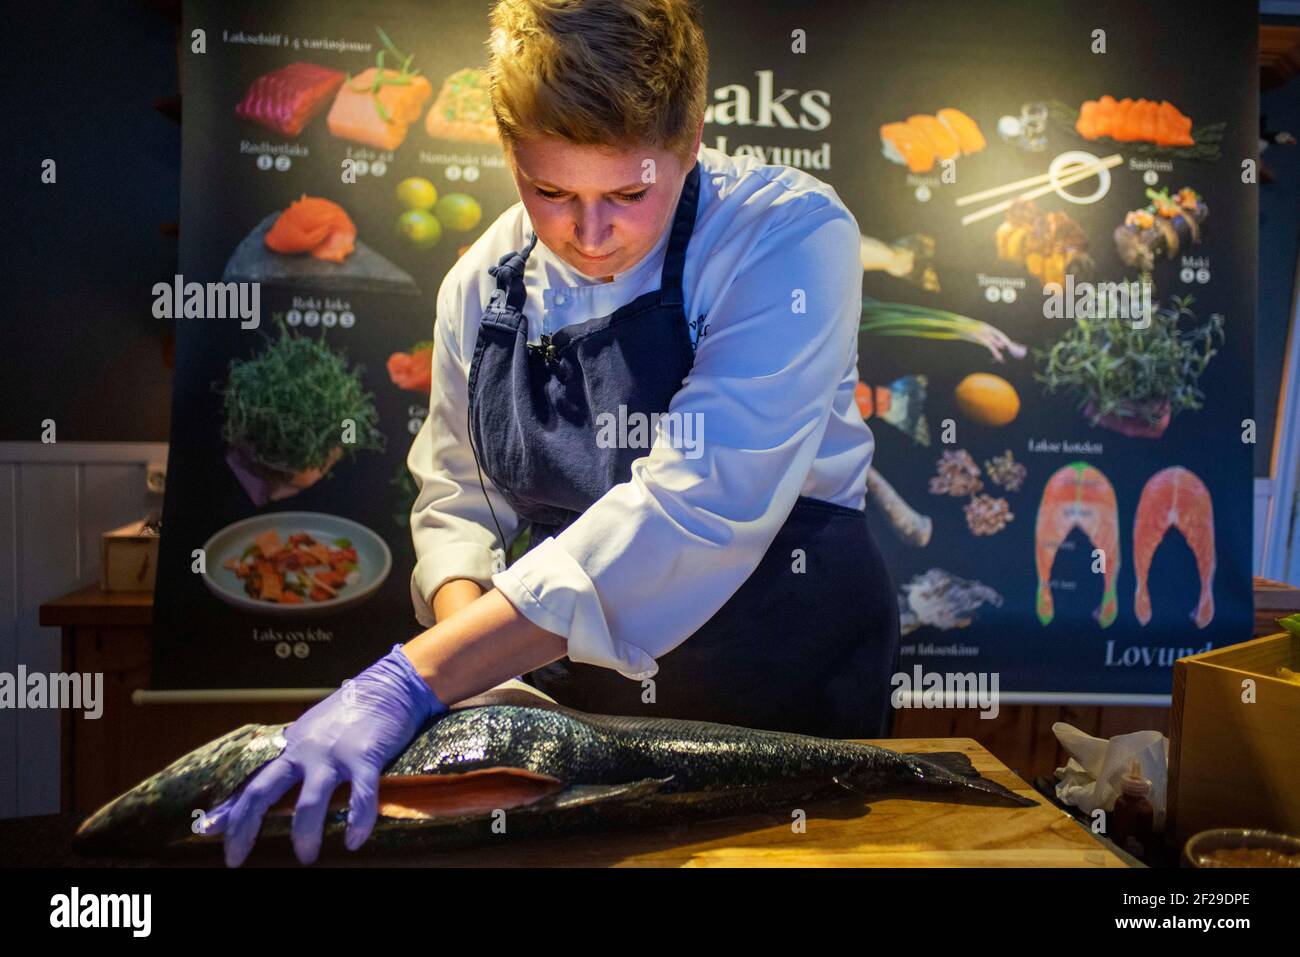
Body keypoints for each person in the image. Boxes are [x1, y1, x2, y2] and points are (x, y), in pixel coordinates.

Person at [207, 0, 899, 868]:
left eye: (630, 192)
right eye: (550, 191)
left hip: (784, 677)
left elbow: (694, 504)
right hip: (571, 699)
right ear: (508, 154)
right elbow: (460, 503)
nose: (591, 233)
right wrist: (488, 685)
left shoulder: (785, 235)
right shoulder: (479, 285)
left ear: (689, 142)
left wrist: (414, 675)